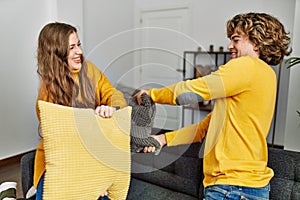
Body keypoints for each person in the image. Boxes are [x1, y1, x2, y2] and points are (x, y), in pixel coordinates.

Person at [135, 12, 291, 199]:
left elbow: (191, 91)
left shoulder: (246, 66)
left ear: (257, 42)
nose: (230, 46)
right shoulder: (265, 74)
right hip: (250, 187)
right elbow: (208, 126)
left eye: (236, 40)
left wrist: (151, 95)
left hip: (232, 188)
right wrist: (163, 139)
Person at [34, 22, 127, 200]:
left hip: (92, 157)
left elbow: (114, 95)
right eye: (71, 47)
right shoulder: (47, 91)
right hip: (60, 162)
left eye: (79, 44)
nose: (79, 52)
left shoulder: (90, 71)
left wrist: (111, 108)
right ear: (56, 53)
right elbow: (64, 143)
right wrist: (89, 181)